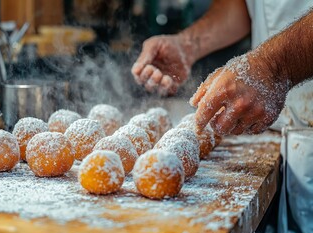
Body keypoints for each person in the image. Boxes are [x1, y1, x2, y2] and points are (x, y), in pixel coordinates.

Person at [131, 0, 313, 136]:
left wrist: (272, 67)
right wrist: (187, 45)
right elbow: (247, 5)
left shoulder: (273, 67)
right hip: (280, 135)